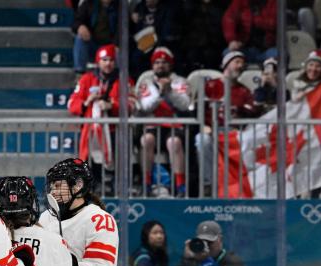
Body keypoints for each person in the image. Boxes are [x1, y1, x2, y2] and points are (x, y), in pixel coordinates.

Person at [68, 43, 135, 195]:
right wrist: (87, 102)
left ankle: (116, 187)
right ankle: (93, 186)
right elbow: (72, 104)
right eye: (104, 60)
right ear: (98, 61)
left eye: (111, 60)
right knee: (90, 161)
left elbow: (132, 103)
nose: (108, 63)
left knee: (117, 160)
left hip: (116, 131)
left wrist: (112, 105)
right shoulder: (86, 79)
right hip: (91, 131)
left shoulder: (124, 80)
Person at [196, 51, 258, 194]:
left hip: (234, 132)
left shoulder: (244, 91)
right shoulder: (210, 86)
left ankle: (239, 186)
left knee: (245, 141)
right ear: (226, 64)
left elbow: (252, 112)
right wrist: (204, 126)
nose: (240, 66)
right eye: (237, 62)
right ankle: (209, 184)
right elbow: (199, 110)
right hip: (211, 129)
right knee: (202, 140)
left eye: (242, 63)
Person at [138, 47, 190, 197]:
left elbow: (185, 104)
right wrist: (160, 94)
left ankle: (181, 187)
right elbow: (144, 106)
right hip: (152, 125)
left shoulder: (180, 82)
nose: (160, 65)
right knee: (146, 140)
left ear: (170, 65)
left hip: (173, 124)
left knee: (174, 142)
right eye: (157, 62)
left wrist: (170, 91)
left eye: (164, 62)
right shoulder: (145, 83)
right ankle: (146, 184)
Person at [177, 220, 245, 266]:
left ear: (220, 240)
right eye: (202, 242)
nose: (206, 247)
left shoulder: (232, 260)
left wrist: (207, 262)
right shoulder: (194, 260)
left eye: (209, 242)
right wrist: (187, 260)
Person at [222, 0, 277, 64]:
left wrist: (256, 19)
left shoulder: (273, 2)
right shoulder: (240, 2)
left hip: (266, 50)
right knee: (228, 53)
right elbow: (229, 18)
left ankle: (269, 72)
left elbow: (273, 23)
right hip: (244, 49)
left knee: (278, 55)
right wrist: (232, 40)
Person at [71, 0, 118, 74]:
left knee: (122, 46)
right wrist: (80, 27)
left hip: (111, 46)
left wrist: (117, 43)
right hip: (93, 45)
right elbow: (75, 22)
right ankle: (80, 73)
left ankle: (117, 76)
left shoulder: (120, 7)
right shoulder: (89, 4)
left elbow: (126, 28)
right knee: (80, 38)